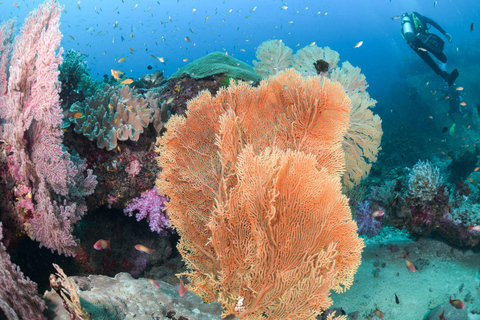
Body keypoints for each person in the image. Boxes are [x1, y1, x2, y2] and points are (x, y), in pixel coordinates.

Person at [401, 12, 458, 87]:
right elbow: (433, 23)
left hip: (416, 46)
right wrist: (444, 33)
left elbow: (407, 40)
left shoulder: (404, 29)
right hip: (425, 40)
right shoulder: (421, 18)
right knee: (443, 58)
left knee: (430, 61)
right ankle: (446, 74)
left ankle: (444, 76)